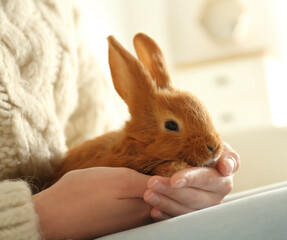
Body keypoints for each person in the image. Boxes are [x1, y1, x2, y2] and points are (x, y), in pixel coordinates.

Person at [0, 0, 240, 239]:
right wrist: (41, 217)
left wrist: (198, 186)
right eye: (171, 126)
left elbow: (92, 129)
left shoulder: (54, 10)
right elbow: (117, 166)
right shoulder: (132, 152)